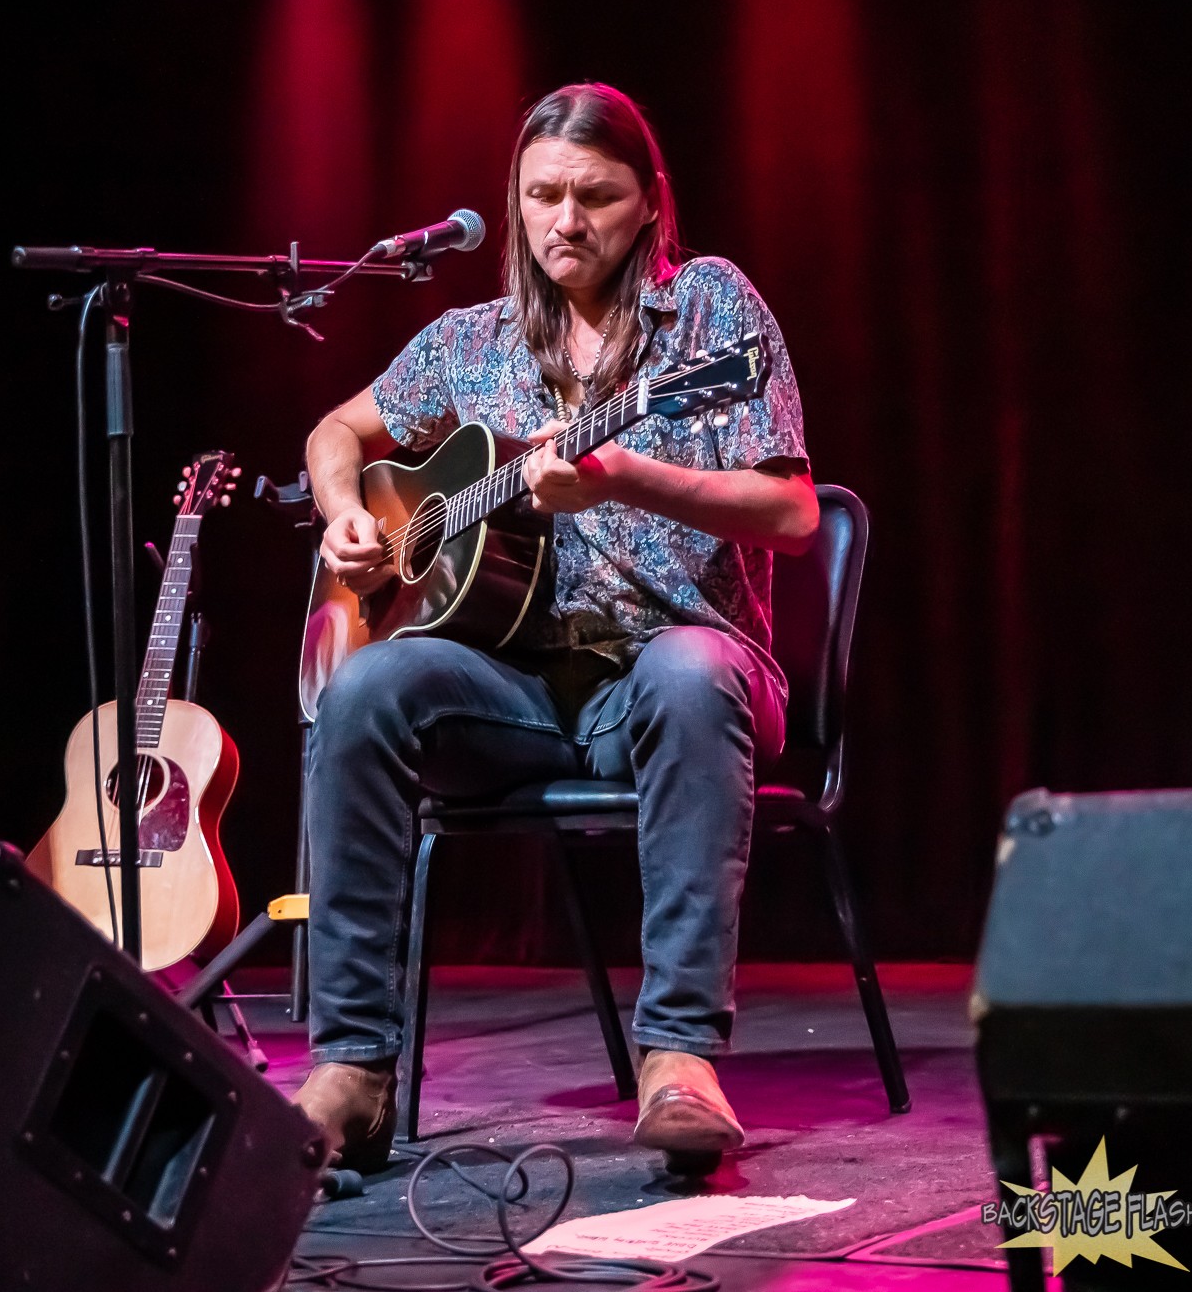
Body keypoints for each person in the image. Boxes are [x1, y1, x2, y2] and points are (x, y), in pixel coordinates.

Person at [295, 83, 818, 1169]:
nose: (563, 220)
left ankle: (676, 1057)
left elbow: (792, 512)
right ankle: (350, 1065)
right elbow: (334, 431)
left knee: (685, 673)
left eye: (594, 195)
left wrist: (629, 476)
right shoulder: (468, 341)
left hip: (679, 675)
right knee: (361, 689)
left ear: (648, 206)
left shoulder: (712, 314)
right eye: (541, 195)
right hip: (520, 694)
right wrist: (348, 513)